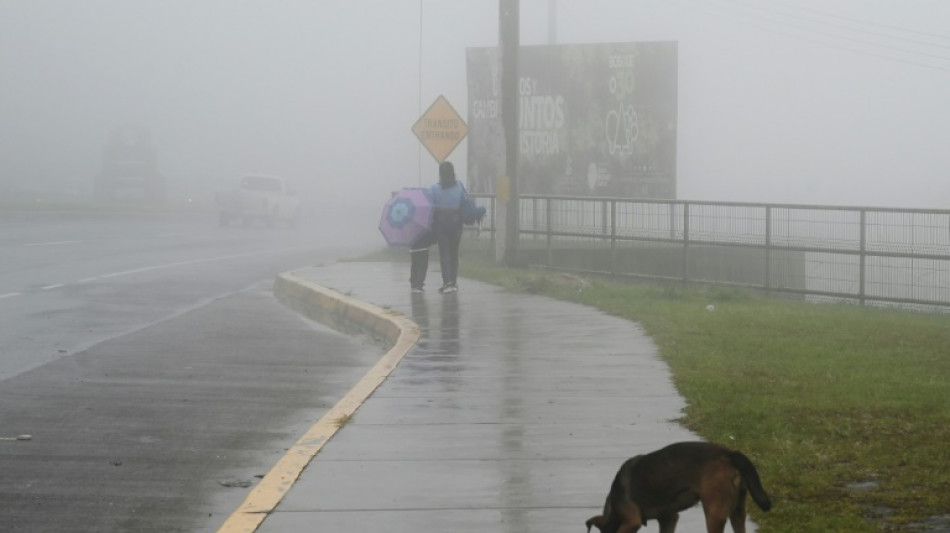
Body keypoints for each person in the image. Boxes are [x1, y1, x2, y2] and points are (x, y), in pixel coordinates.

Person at [409, 161, 474, 294]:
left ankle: (446, 282)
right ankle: (453, 282)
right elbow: (465, 201)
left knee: (444, 252)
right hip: (456, 224)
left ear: (440, 174)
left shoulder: (434, 189)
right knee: (454, 253)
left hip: (441, 225)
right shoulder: (459, 186)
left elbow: (428, 206)